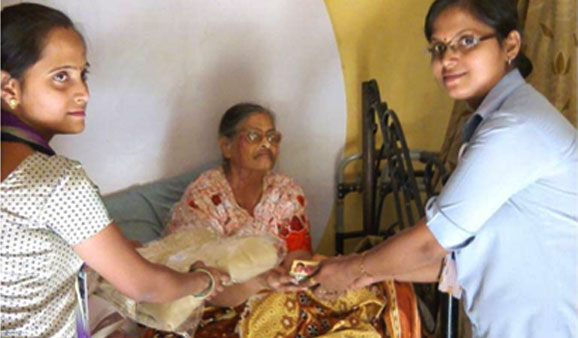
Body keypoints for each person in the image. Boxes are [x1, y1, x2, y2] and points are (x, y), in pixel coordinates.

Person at [312, 0, 578, 337]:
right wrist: (368, 273)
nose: (447, 59)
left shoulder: (515, 128)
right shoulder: (498, 122)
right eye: (438, 47)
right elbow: (462, 259)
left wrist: (354, 267)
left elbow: (431, 243)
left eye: (467, 40)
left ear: (510, 44)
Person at [0, 4, 228, 337]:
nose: (84, 93)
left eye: (83, 74)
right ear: (9, 89)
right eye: (60, 77)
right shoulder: (58, 182)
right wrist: (203, 280)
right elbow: (145, 286)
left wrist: (110, 252)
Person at [146, 103, 420, 337]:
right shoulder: (204, 195)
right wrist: (262, 282)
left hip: (278, 291)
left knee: (371, 289)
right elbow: (200, 284)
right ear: (226, 146)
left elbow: (299, 258)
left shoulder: (286, 191)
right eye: (254, 136)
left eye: (272, 137)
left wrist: (297, 276)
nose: (267, 144)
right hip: (219, 306)